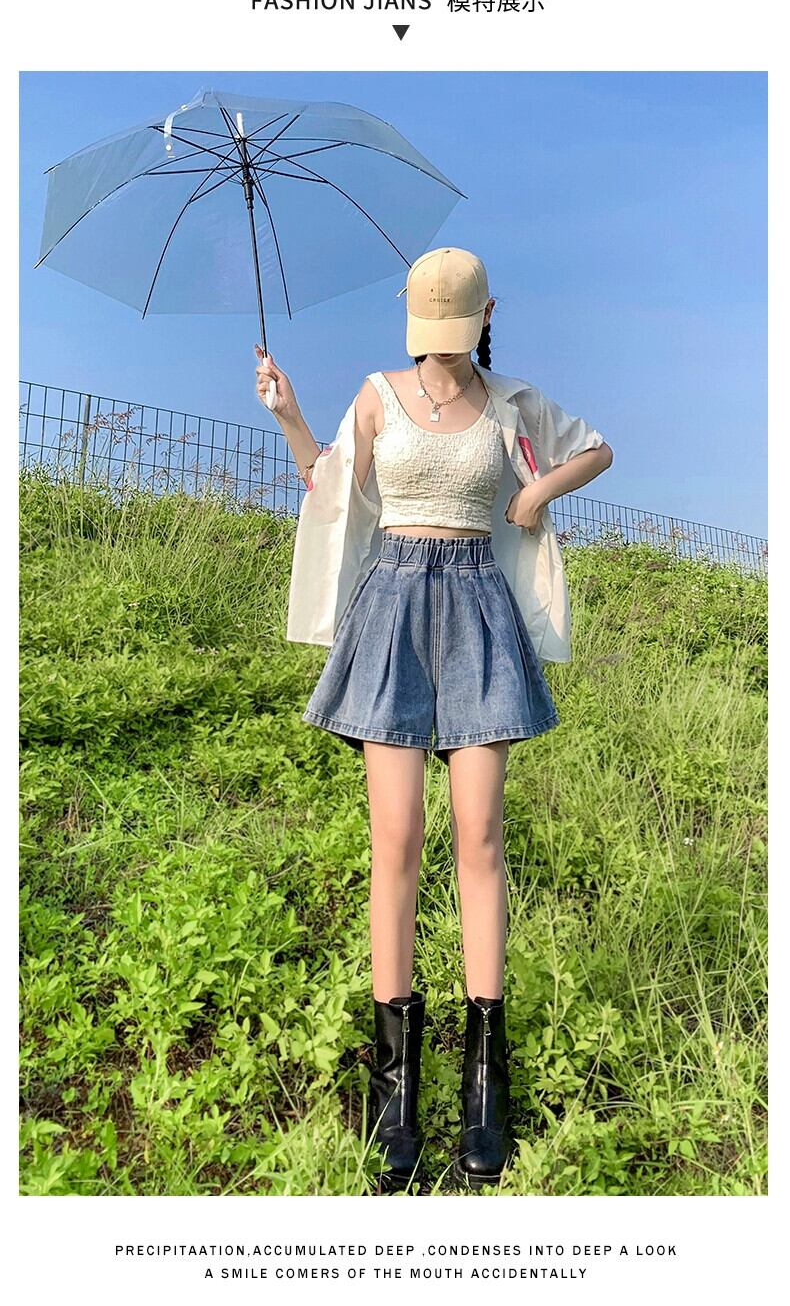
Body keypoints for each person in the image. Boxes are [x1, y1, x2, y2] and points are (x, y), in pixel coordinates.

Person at [255, 247, 613, 1193]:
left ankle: (485, 1087)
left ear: (486, 315)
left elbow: (596, 448)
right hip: (393, 611)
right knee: (398, 840)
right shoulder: (377, 394)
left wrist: (534, 490)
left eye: (457, 326)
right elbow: (331, 486)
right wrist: (290, 414)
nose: (441, 345)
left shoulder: (513, 403)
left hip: (481, 610)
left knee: (481, 836)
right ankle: (395, 1089)